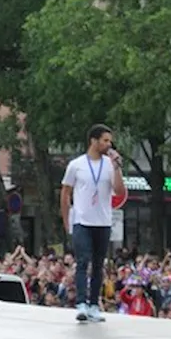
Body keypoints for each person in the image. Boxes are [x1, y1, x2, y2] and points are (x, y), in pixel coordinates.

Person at [61, 123, 125, 323]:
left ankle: (94, 305)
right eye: (105, 140)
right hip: (82, 220)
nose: (109, 144)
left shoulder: (109, 164)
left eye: (110, 141)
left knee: (98, 265)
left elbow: (120, 191)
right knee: (83, 261)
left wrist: (116, 167)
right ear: (94, 141)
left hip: (103, 221)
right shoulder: (76, 165)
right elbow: (65, 193)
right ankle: (81, 303)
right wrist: (66, 220)